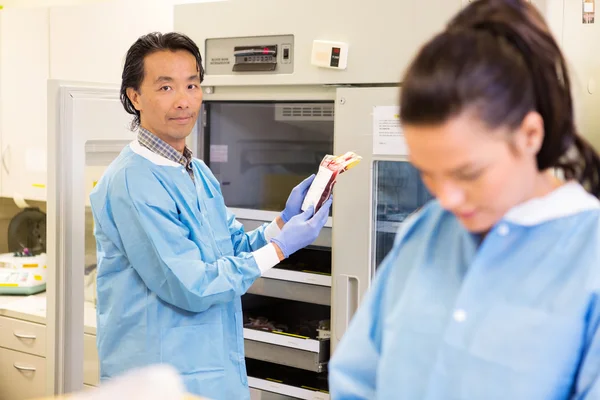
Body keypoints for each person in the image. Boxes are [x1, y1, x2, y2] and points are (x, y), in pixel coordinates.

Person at [328, 0, 600, 398]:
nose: (448, 199)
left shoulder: (588, 254)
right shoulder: (425, 232)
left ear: (530, 135)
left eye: (468, 174)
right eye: (428, 174)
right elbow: (358, 379)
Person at [89, 32, 331, 400]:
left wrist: (283, 221)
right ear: (134, 97)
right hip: (159, 379)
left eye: (192, 84)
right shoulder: (132, 182)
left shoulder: (195, 170)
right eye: (166, 87)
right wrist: (280, 249)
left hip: (212, 373)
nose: (184, 101)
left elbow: (230, 247)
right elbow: (191, 285)